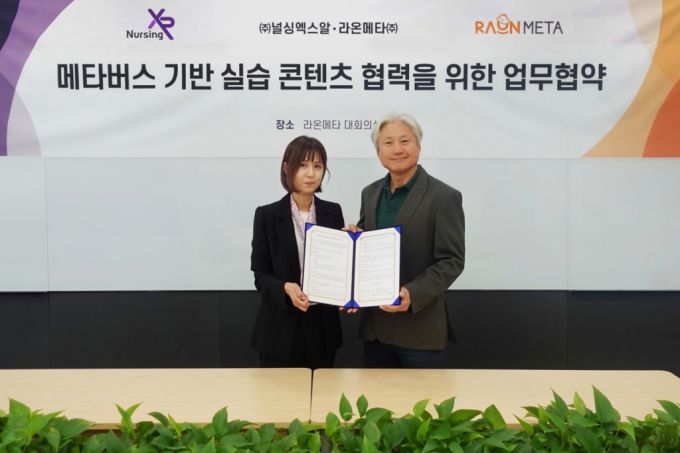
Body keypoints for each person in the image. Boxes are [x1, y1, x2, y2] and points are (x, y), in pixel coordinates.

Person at [349, 113, 465, 368]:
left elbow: (451, 261)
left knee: (422, 396)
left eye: (405, 141)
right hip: (376, 330)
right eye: (388, 143)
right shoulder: (370, 193)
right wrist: (354, 241)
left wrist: (412, 293)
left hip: (420, 332)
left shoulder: (444, 197)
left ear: (418, 146)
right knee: (376, 395)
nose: (397, 149)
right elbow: (367, 247)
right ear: (378, 151)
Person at [250, 136, 344, 369]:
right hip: (279, 331)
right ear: (286, 168)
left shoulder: (333, 212)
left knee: (323, 391)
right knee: (279, 393)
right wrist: (285, 288)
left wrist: (352, 243)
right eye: (302, 165)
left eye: (317, 166)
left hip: (322, 329)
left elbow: (339, 269)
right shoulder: (267, 215)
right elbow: (260, 275)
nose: (311, 173)